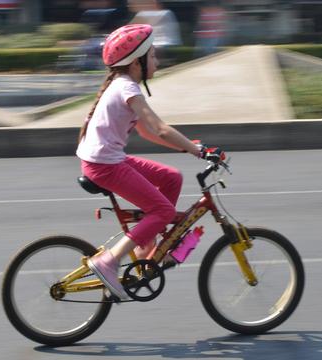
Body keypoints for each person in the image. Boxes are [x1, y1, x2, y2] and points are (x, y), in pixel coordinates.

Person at [76, 24, 219, 300]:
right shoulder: (127, 88)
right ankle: (109, 261)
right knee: (164, 212)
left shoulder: (123, 85)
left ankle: (147, 247)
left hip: (106, 159)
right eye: (152, 56)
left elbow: (145, 130)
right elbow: (159, 127)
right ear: (136, 62)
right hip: (104, 165)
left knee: (171, 177)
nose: (156, 61)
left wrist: (189, 147)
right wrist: (198, 152)